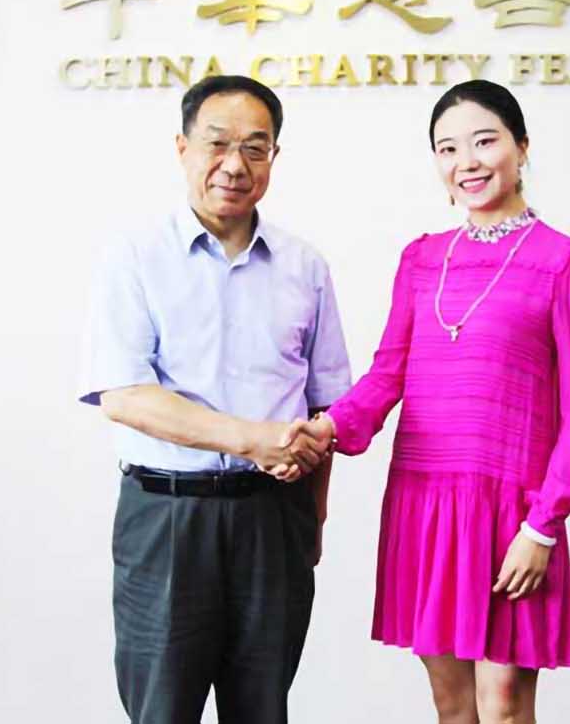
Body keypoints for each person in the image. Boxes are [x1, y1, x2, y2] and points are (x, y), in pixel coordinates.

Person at [293, 80, 570, 724]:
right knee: (453, 706)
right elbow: (388, 375)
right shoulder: (421, 260)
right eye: (448, 148)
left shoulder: (564, 261)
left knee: (505, 705)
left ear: (522, 147)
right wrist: (324, 429)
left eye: (485, 141)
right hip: (427, 504)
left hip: (513, 511)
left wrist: (543, 526)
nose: (467, 161)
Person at [77, 75, 351, 724]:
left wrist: (311, 519)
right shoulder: (135, 257)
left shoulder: (305, 267)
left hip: (273, 522)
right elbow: (124, 396)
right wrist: (252, 439)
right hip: (167, 518)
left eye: (256, 148)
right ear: (182, 148)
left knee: (262, 709)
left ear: (274, 157)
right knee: (162, 710)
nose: (235, 165)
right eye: (217, 144)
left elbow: (327, 407)